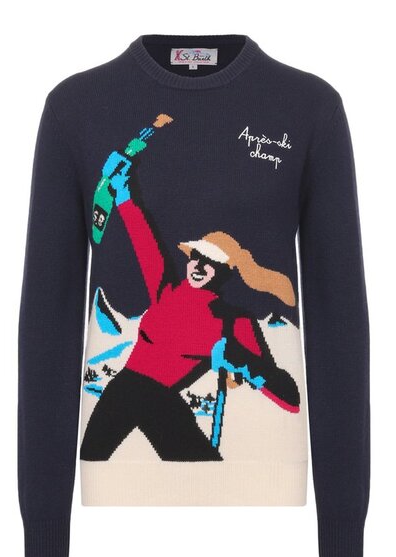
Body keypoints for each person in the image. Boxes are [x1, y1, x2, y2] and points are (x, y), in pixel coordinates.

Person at [80, 157, 300, 462]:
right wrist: (124, 192)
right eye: (196, 256)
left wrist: (243, 360)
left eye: (210, 263)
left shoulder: (233, 322)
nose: (198, 266)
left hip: (161, 401)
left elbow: (290, 399)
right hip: (124, 390)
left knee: (205, 467)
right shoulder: (166, 291)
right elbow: (144, 241)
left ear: (223, 272)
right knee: (93, 457)